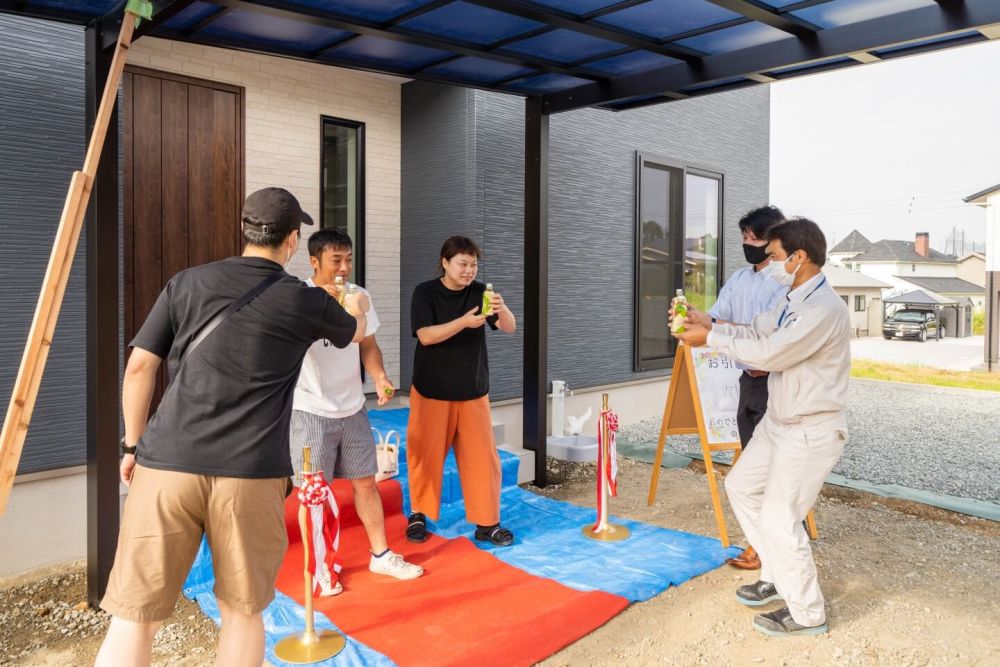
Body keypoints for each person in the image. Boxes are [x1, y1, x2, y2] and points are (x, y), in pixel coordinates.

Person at [96, 188, 368, 667]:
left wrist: (131, 444)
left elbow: (140, 367)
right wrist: (353, 306)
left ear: (244, 231)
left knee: (135, 617)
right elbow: (353, 331)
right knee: (242, 613)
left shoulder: (186, 283)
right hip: (250, 472)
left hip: (167, 464)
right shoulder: (304, 301)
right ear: (291, 241)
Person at [674, 218, 850, 637]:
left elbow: (771, 352)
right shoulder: (791, 298)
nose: (767, 263)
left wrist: (709, 340)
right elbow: (757, 328)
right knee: (740, 486)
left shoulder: (823, 309)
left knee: (778, 515)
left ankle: (808, 614)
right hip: (780, 420)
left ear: (798, 257)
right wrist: (709, 322)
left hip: (810, 428)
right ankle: (775, 575)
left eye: (772, 255)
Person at [291, 228, 423, 593]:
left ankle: (381, 555)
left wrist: (380, 377)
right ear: (314, 261)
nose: (345, 267)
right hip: (309, 408)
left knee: (366, 482)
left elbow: (368, 345)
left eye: (349, 259)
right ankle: (319, 565)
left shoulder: (359, 296)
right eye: (337, 260)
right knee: (315, 493)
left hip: (352, 407)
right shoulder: (299, 298)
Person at [405, 236, 517, 547]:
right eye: (462, 264)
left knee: (483, 459)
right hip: (432, 389)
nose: (469, 271)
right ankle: (418, 513)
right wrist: (464, 323)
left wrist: (502, 307)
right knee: (425, 456)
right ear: (445, 262)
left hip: (473, 390)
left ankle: (487, 523)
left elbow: (509, 327)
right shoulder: (425, 293)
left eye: (473, 265)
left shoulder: (482, 292)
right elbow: (425, 336)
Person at [707, 205, 788, 571]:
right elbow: (714, 317)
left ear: (774, 240)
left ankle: (776, 543)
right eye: (743, 237)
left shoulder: (784, 283)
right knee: (751, 460)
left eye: (753, 237)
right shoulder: (738, 279)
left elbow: (766, 335)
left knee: (778, 466)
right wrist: (694, 320)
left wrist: (722, 326)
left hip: (778, 381)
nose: (747, 243)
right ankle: (766, 540)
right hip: (747, 381)